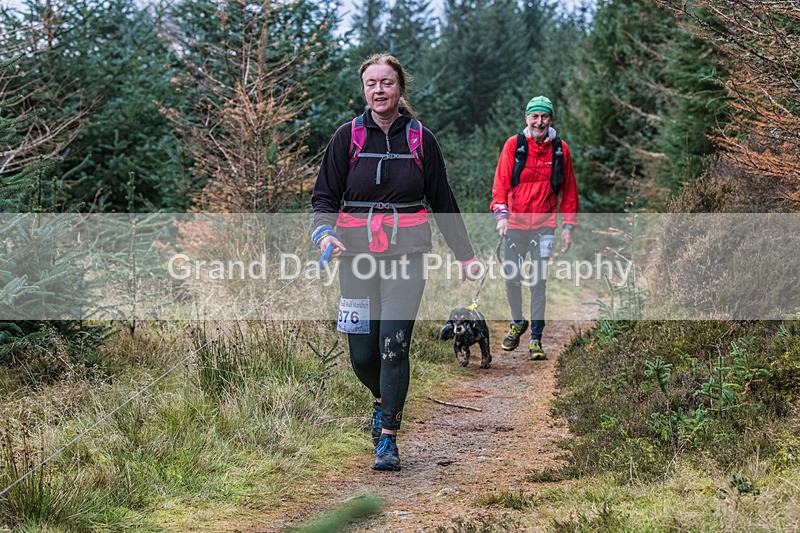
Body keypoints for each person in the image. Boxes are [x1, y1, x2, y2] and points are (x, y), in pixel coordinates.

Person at [311, 54, 479, 471]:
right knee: (362, 354)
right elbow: (324, 198)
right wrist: (324, 232)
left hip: (408, 254)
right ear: (363, 89)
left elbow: (443, 200)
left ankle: (388, 439)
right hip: (355, 256)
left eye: (386, 82)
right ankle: (384, 400)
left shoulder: (422, 139)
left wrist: (466, 255)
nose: (379, 90)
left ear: (400, 88)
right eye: (371, 83)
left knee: (393, 345)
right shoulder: (346, 137)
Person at [490, 95, 579, 361]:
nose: (539, 122)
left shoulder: (561, 150)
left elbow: (570, 191)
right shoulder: (514, 145)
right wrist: (501, 216)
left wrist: (568, 227)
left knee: (538, 282)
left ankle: (536, 340)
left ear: (550, 119)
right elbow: (500, 184)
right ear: (527, 118)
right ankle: (518, 321)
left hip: (544, 227)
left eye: (544, 116)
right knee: (512, 278)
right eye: (534, 116)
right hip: (514, 225)